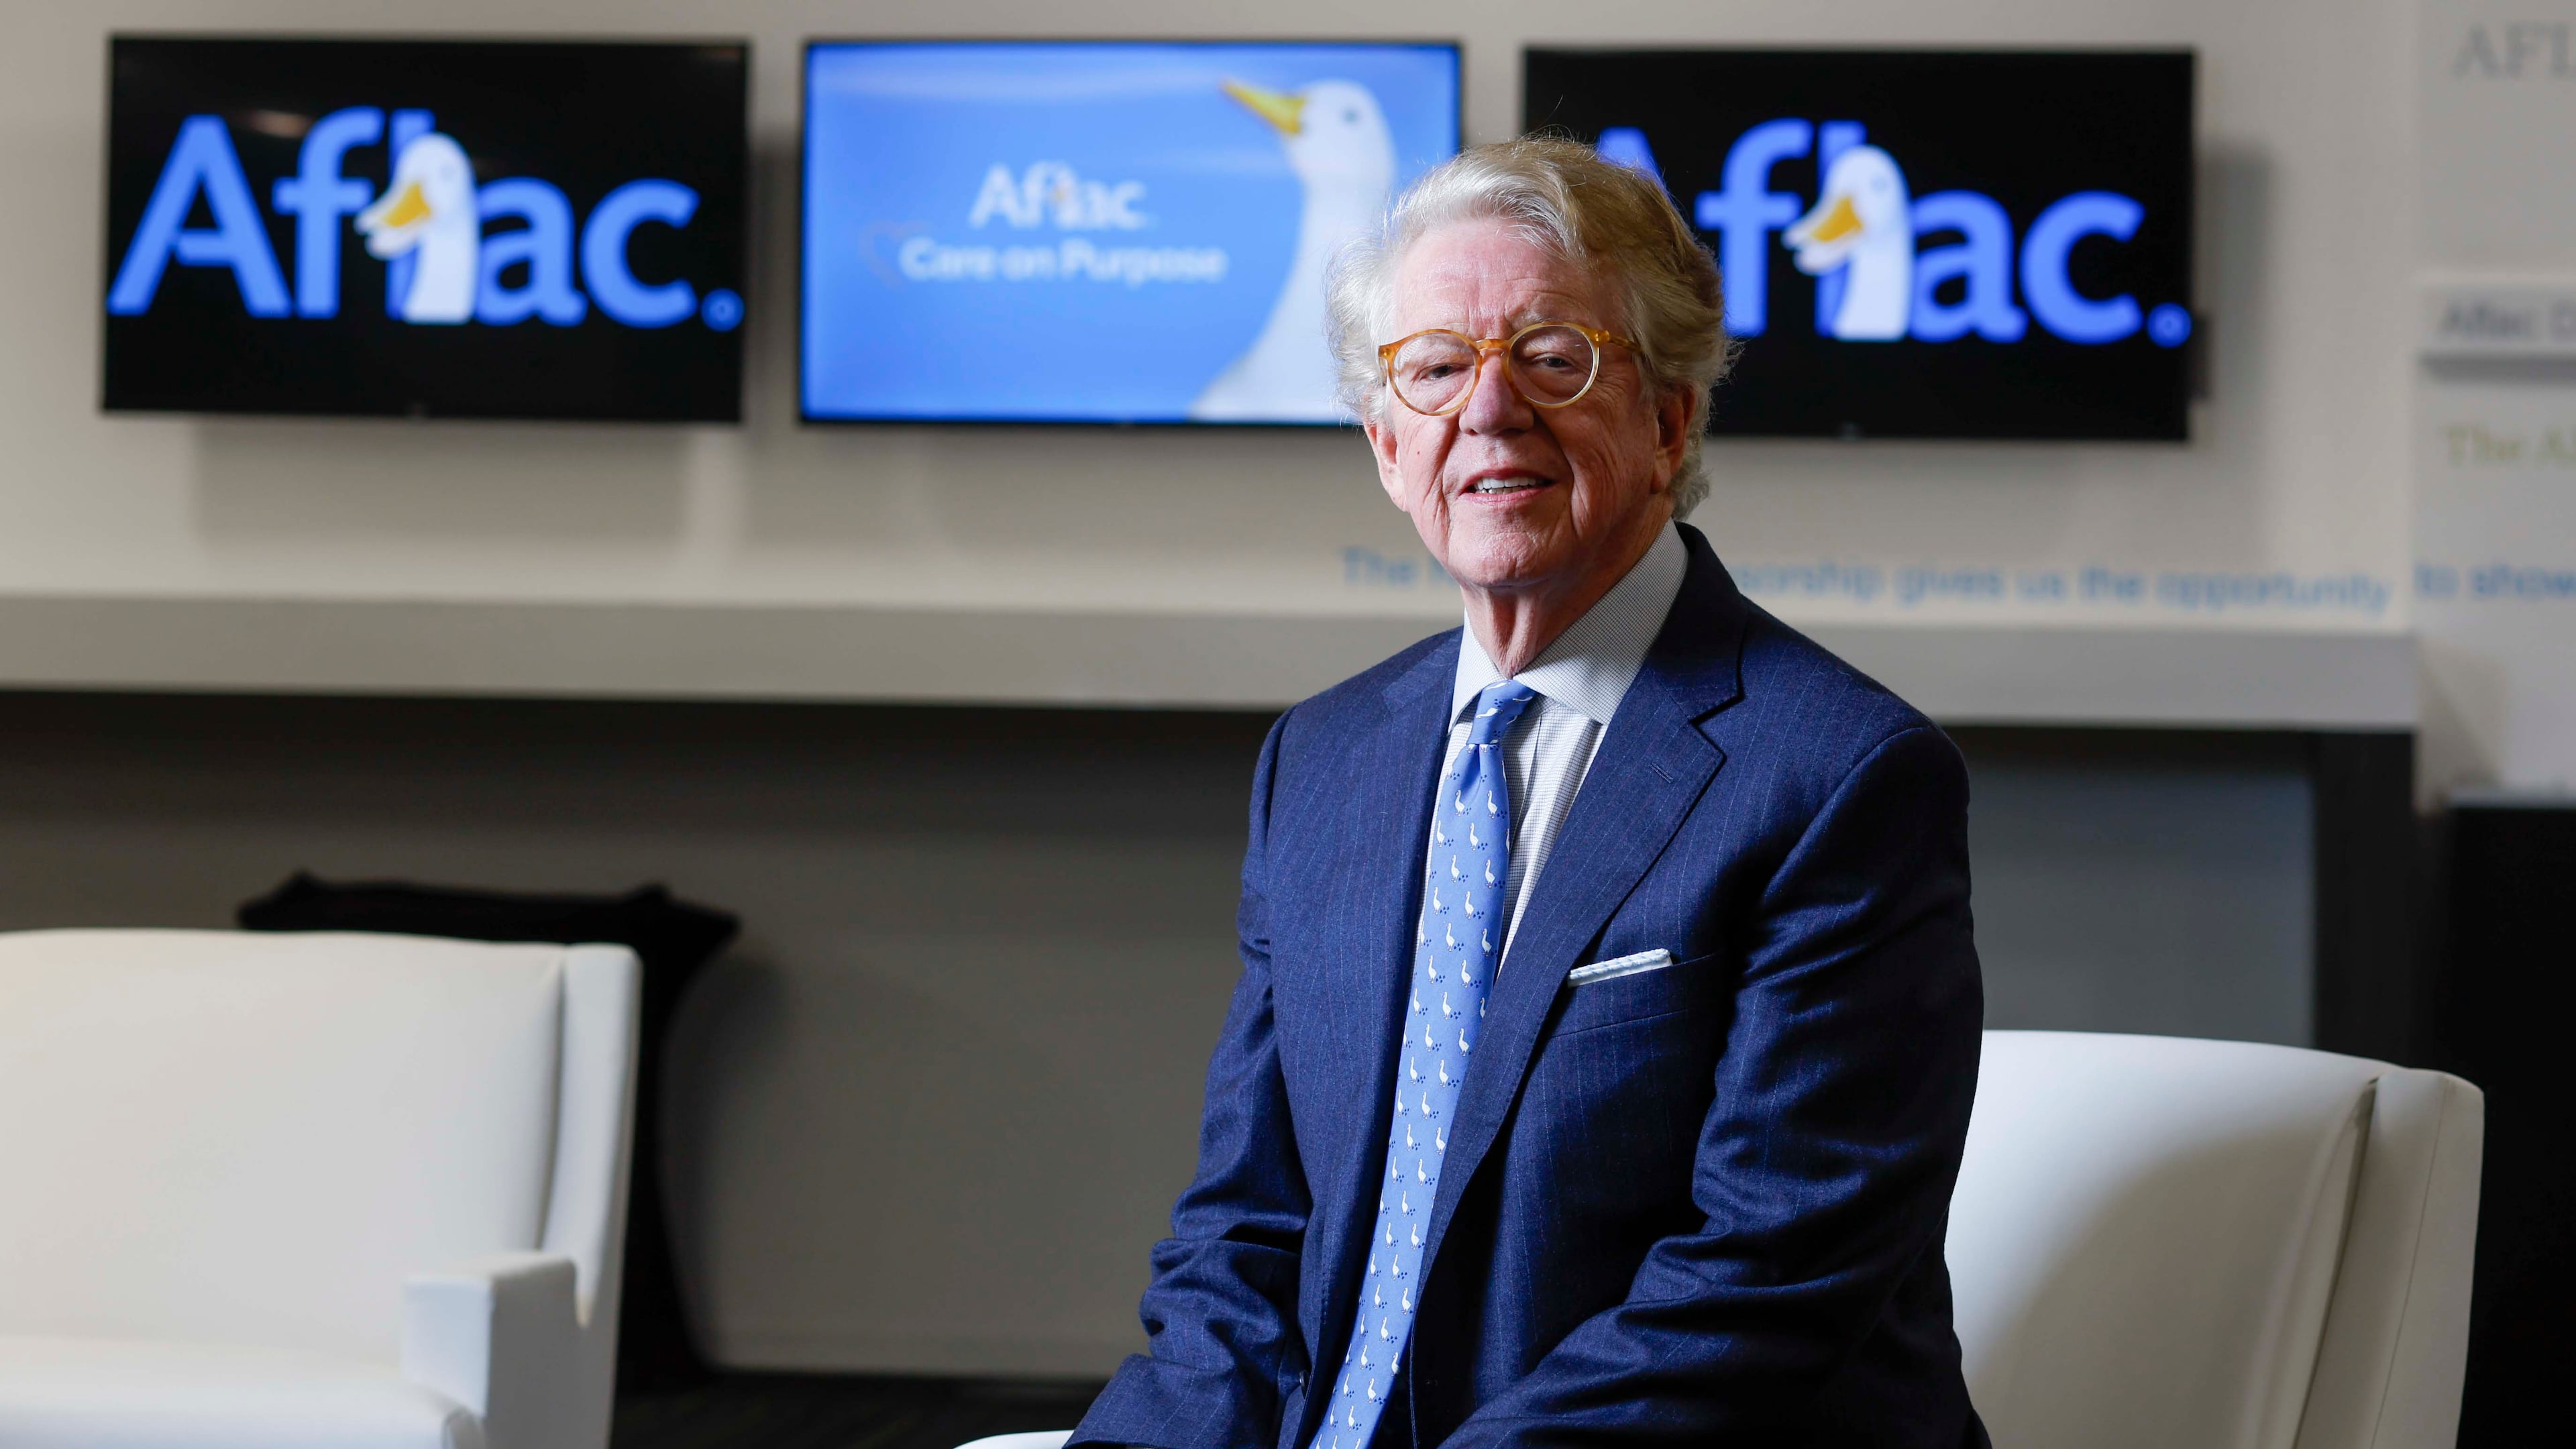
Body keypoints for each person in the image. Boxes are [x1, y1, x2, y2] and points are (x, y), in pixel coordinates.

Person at [1070, 137, 1987, 1449]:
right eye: (1436, 368)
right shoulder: (1322, 762)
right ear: (1389, 446)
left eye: (1553, 358)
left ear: (1668, 420)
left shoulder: (1841, 777)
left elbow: (1764, 1282)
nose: (1489, 411)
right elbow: (1247, 1238)